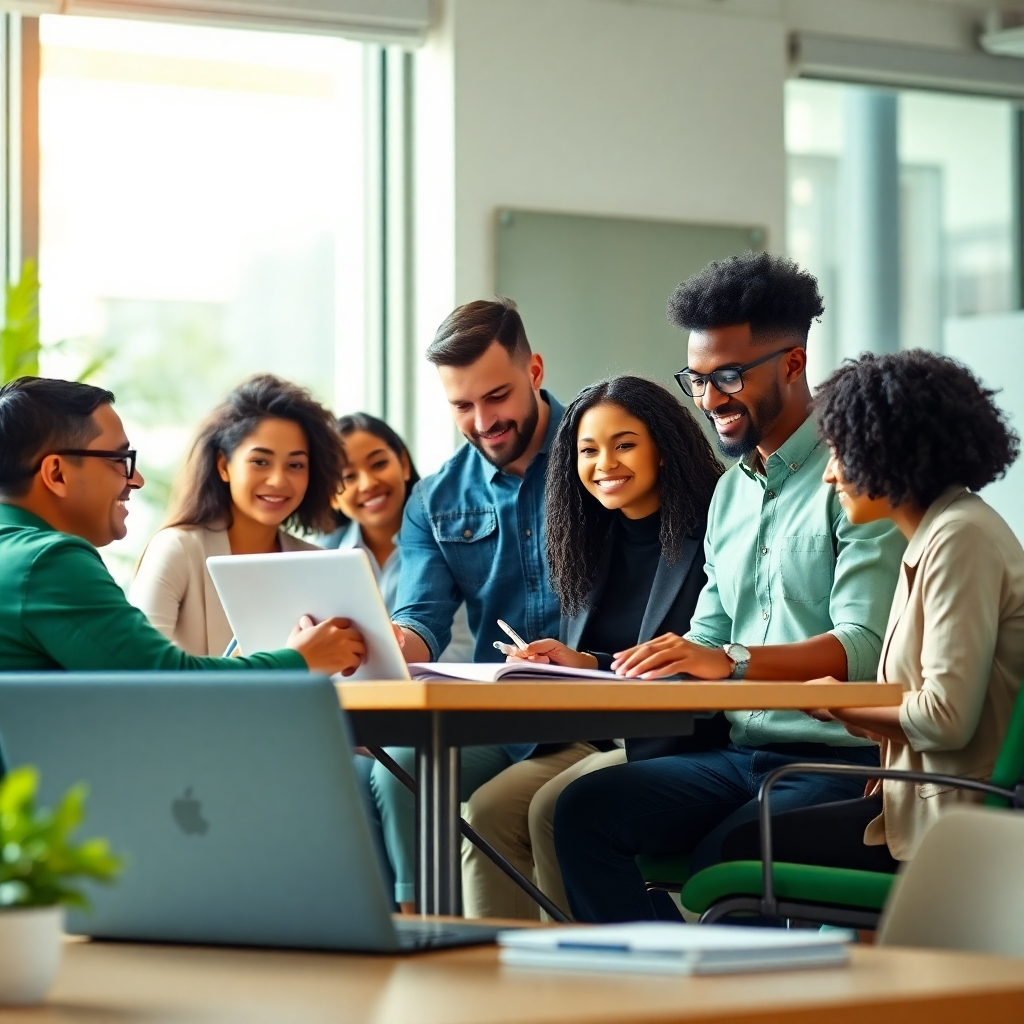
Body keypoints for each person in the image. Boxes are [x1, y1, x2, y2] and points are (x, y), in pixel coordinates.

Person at [553, 252, 907, 923]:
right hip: (740, 755)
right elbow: (705, 642)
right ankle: (656, 978)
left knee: (726, 859)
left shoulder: (856, 478)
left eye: (729, 377)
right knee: (584, 812)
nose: (710, 400)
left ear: (793, 364)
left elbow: (863, 650)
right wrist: (595, 669)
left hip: (838, 760)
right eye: (698, 379)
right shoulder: (729, 497)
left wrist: (732, 661)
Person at [719, 351, 1024, 872]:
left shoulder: (959, 539)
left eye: (840, 454)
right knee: (743, 842)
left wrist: (838, 704)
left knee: (740, 851)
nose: (829, 476)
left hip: (955, 822)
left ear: (888, 451)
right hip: (924, 801)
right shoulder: (936, 533)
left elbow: (946, 720)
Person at [386, 297, 596, 918]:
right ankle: (421, 930)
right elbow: (421, 619)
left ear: (535, 370)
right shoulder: (434, 500)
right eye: (462, 406)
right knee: (402, 764)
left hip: (599, 711)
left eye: (497, 396)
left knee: (491, 810)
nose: (483, 421)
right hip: (502, 721)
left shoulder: (601, 459)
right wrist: (388, 640)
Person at [485, 375, 722, 918]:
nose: (604, 464)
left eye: (624, 445)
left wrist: (599, 667)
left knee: (551, 808)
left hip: (690, 739)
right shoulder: (589, 538)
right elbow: (621, 657)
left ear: (664, 448)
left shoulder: (713, 530)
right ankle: (505, 956)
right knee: (490, 810)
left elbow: (696, 652)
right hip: (613, 735)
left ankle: (589, 953)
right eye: (588, 450)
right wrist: (576, 662)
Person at [0, 376, 365, 676]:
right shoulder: (49, 562)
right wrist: (299, 660)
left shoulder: (18, 554)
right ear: (56, 473)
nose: (136, 480)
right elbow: (162, 684)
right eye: (119, 460)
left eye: (296, 465)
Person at [316, 411, 473, 910]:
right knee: (342, 774)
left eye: (378, 463)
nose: (367, 483)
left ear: (404, 463)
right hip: (364, 724)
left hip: (444, 711)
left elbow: (460, 651)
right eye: (346, 476)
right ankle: (380, 916)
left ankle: (415, 912)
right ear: (331, 494)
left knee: (391, 772)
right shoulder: (323, 558)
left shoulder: (450, 539)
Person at [130, 374, 343, 656]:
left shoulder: (318, 564)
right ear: (223, 465)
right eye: (260, 461)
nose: (278, 480)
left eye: (295, 465)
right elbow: (138, 666)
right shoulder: (177, 549)